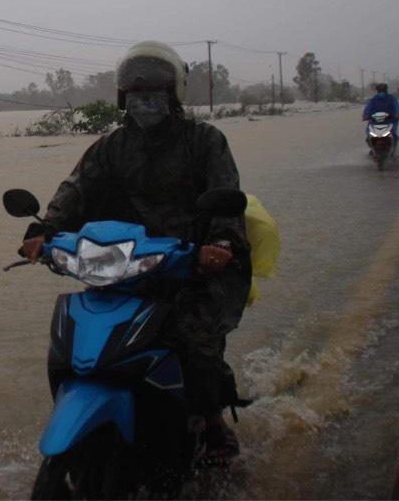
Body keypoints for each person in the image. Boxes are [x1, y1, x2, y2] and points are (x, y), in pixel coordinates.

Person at [18, 40, 250, 462]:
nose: (145, 103)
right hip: (127, 262)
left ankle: (212, 421)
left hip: (191, 263)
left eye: (155, 95)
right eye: (137, 95)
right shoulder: (112, 147)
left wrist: (219, 244)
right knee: (83, 326)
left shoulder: (204, 141)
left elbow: (225, 194)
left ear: (173, 95)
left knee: (197, 332)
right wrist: (44, 230)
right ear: (123, 98)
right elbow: (76, 189)